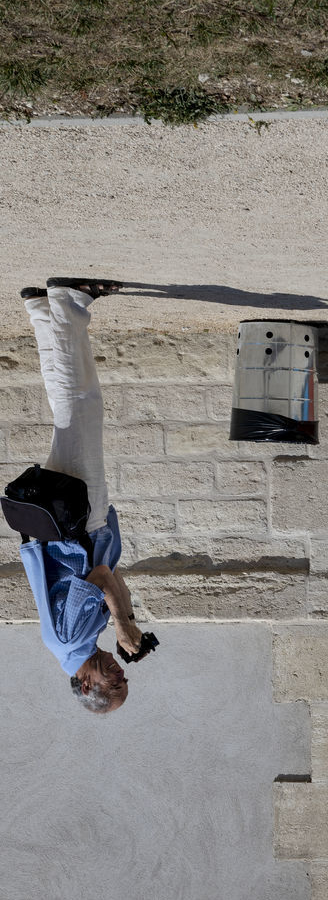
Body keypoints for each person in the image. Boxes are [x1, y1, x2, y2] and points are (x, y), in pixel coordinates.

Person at [16, 278, 143, 714]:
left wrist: (123, 624)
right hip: (71, 520)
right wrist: (127, 621)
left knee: (82, 405)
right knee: (66, 411)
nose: (122, 673)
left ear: (87, 684)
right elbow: (110, 574)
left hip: (76, 519)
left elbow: (101, 578)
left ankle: (69, 303)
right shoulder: (79, 642)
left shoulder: (72, 638)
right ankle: (41, 311)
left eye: (116, 683)